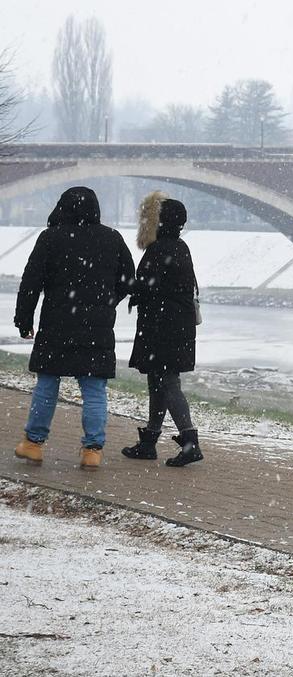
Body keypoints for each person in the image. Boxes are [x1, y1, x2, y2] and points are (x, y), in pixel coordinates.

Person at [12, 187, 135, 470]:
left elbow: (31, 282)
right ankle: (92, 450)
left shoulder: (51, 238)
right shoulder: (112, 238)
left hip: (57, 322)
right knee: (94, 388)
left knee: (47, 383)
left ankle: (33, 444)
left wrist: (24, 320)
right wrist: (108, 301)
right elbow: (130, 280)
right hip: (97, 327)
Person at [121, 192, 203, 467]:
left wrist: (121, 283)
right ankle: (149, 442)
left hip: (160, 327)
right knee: (158, 381)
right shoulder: (181, 246)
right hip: (176, 326)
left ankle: (190, 441)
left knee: (167, 384)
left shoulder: (160, 249)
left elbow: (143, 286)